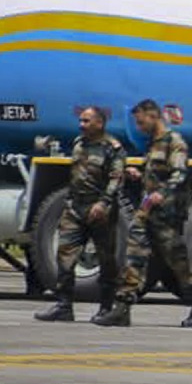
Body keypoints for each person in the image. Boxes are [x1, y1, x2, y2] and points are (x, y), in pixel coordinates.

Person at [93, 99, 192, 328]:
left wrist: (161, 194)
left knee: (178, 261)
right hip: (147, 212)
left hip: (166, 214)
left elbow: (179, 174)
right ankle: (122, 308)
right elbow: (156, 174)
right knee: (134, 256)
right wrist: (138, 175)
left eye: (141, 122)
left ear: (153, 116)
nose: (139, 127)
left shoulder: (174, 142)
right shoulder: (152, 144)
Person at [35, 106, 126, 324]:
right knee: (64, 256)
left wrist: (103, 203)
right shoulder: (79, 143)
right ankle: (63, 306)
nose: (81, 125)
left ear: (99, 123)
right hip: (75, 209)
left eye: (86, 121)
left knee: (106, 260)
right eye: (81, 120)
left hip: (99, 211)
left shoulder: (112, 148)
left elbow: (116, 178)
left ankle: (106, 307)